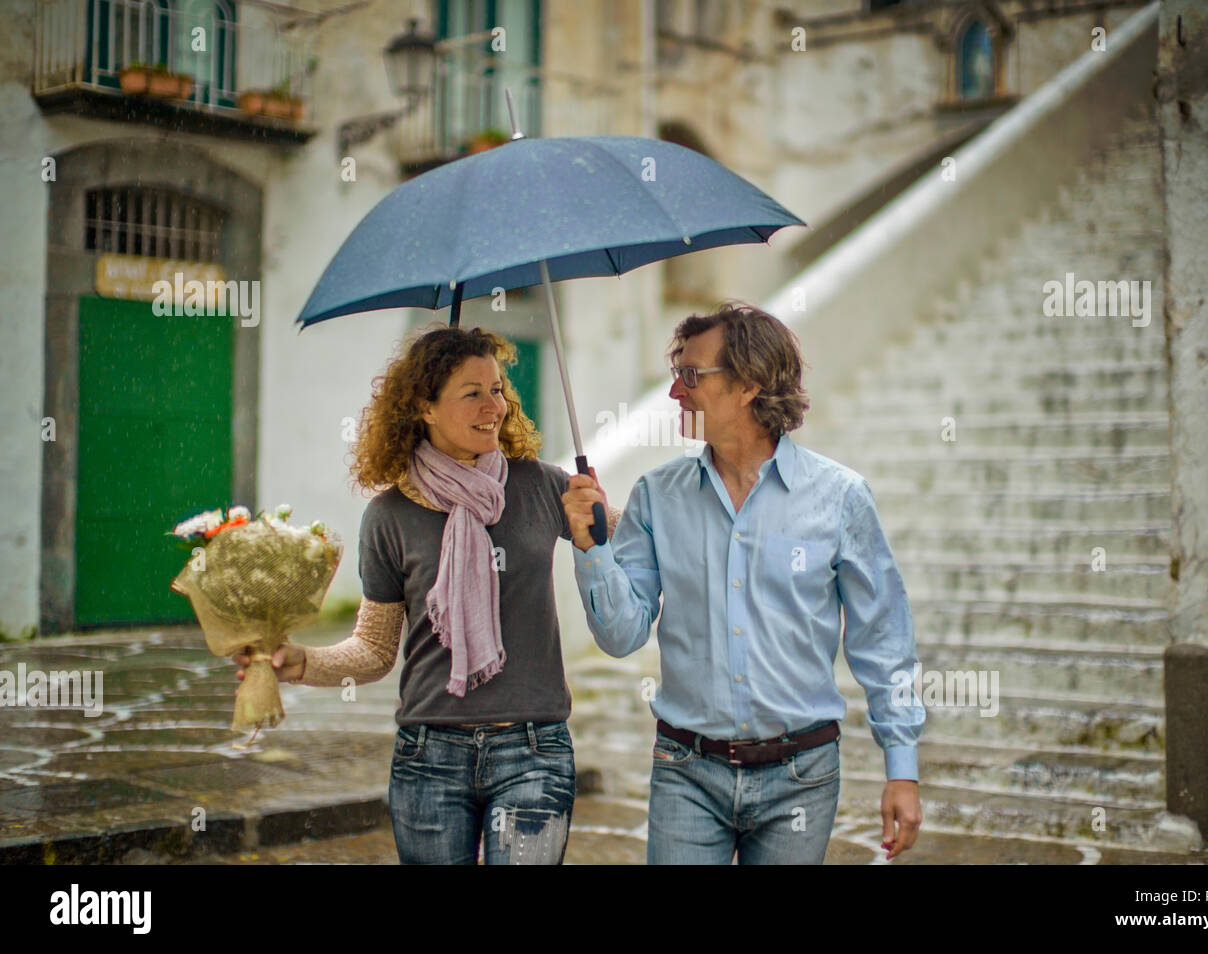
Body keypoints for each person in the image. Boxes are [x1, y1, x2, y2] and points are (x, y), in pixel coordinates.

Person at [562, 301, 926, 864]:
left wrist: (901, 770)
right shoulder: (657, 495)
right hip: (687, 772)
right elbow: (621, 634)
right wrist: (591, 550)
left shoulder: (840, 497)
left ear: (750, 385)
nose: (675, 393)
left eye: (691, 375)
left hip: (802, 775)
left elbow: (883, 638)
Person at [234, 325, 596, 864]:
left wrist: (598, 527)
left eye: (497, 389)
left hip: (534, 750)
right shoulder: (388, 517)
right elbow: (376, 649)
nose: (492, 405)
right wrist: (300, 662)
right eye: (471, 393)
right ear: (424, 407)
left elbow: (638, 541)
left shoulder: (541, 485)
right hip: (431, 755)